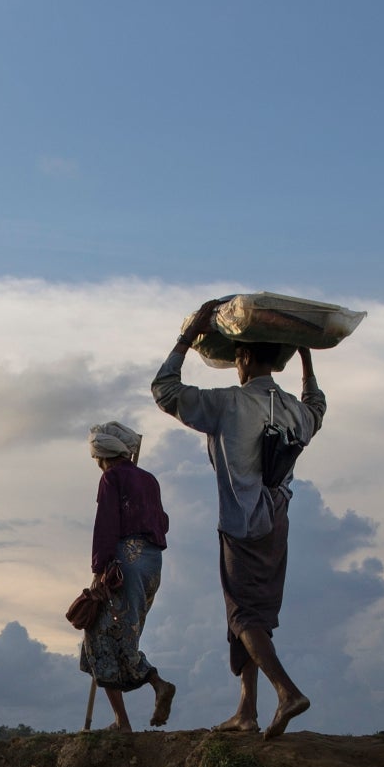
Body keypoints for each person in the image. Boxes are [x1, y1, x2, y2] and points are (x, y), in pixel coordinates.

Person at [152, 301, 323, 737]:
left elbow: (166, 391)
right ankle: (246, 711)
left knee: (244, 616)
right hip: (277, 522)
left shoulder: (230, 403)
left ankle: (287, 693)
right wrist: (305, 358)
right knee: (252, 615)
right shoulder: (294, 411)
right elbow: (316, 406)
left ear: (243, 356)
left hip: (242, 524)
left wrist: (186, 338)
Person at [80, 421, 177, 731]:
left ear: (102, 455)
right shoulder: (148, 480)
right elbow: (162, 522)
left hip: (125, 562)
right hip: (151, 565)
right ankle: (124, 715)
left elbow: (106, 523)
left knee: (101, 634)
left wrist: (100, 567)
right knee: (120, 633)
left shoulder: (111, 479)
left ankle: (150, 690)